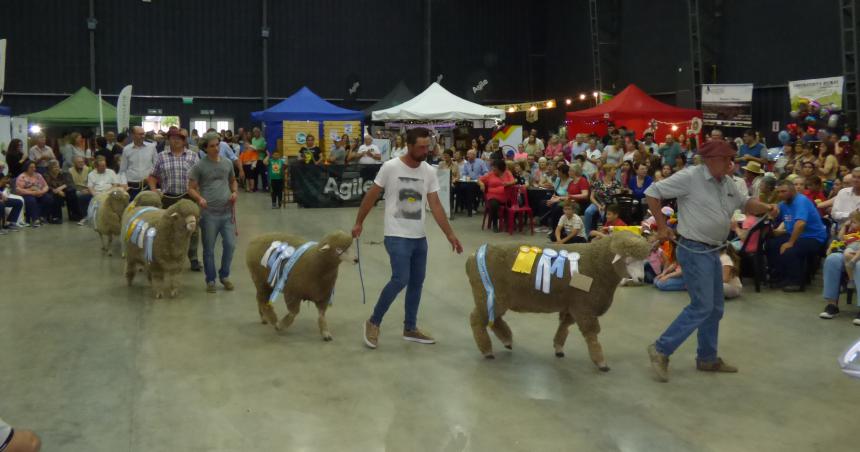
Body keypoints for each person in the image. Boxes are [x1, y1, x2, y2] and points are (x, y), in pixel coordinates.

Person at [645, 139, 778, 382]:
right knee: (703, 306)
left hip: (713, 250)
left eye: (731, 158)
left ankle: (707, 357)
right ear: (710, 160)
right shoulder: (690, 176)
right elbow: (653, 192)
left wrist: (766, 206)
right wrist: (662, 226)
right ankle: (661, 348)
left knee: (715, 307)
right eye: (726, 158)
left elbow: (746, 203)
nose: (731, 162)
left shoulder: (727, 183)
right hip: (695, 250)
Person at [353, 127, 463, 349]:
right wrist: (359, 222)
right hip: (396, 235)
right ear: (409, 145)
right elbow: (371, 196)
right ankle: (373, 322)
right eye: (421, 147)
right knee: (400, 279)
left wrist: (450, 234)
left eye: (427, 147)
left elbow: (436, 205)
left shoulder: (428, 172)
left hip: (419, 237)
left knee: (416, 282)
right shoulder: (390, 167)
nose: (425, 151)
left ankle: (410, 327)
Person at [188, 132, 239, 293]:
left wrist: (235, 192)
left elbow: (232, 181)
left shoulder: (227, 163)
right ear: (205, 148)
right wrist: (199, 199)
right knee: (209, 249)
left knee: (230, 245)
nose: (216, 148)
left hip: (226, 213)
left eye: (218, 144)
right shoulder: (199, 166)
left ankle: (224, 275)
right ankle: (210, 280)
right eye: (212, 146)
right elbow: (190, 188)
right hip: (208, 214)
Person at [147, 129, 202, 271]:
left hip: (188, 197)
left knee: (193, 229)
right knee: (166, 228)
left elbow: (200, 177)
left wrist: (199, 193)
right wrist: (154, 190)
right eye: (172, 138)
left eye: (179, 138)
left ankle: (193, 258)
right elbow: (152, 176)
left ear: (184, 141)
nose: (176, 140)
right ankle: (167, 258)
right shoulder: (161, 157)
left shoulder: (193, 156)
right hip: (168, 199)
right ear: (168, 140)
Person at [766, 179, 828, 292]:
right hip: (796, 235)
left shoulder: (801, 201)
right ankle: (780, 277)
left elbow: (800, 224)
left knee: (790, 250)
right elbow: (775, 215)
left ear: (792, 190)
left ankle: (796, 282)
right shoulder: (783, 203)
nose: (780, 194)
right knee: (772, 245)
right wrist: (772, 213)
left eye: (783, 191)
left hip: (813, 237)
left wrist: (790, 242)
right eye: (778, 192)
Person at [478, 158, 516, 232]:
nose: (493, 169)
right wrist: (481, 184)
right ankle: (495, 224)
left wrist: (508, 183)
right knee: (494, 204)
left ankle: (510, 223)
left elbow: (513, 181)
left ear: (501, 168)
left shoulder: (507, 173)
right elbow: (479, 180)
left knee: (513, 204)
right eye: (493, 167)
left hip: (506, 196)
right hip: (493, 196)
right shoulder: (490, 174)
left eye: (495, 167)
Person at [120, 126, 157, 199]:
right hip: (132, 187)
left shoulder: (152, 147)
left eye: (143, 134)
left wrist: (151, 177)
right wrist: (124, 184)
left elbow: (156, 165)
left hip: (148, 185)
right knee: (132, 208)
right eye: (140, 134)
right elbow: (122, 170)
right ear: (133, 135)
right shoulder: (126, 149)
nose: (143, 136)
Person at [585, 163, 623, 236]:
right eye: (613, 170)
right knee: (588, 212)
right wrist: (598, 205)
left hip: (610, 205)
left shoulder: (617, 183)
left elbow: (618, 197)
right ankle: (588, 234)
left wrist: (606, 206)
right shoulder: (598, 182)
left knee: (604, 215)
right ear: (608, 172)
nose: (615, 172)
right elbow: (591, 197)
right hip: (598, 203)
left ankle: (604, 234)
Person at [15, 161, 52, 227]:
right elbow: (19, 190)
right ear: (26, 168)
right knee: (31, 200)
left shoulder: (38, 175)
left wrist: (42, 192)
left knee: (48, 198)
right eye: (31, 167)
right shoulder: (22, 177)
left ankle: (42, 216)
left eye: (34, 167)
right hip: (27, 194)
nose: (33, 169)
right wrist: (32, 192)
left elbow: (46, 186)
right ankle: (35, 219)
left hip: (39, 192)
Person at [68, 156, 92, 225]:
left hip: (87, 189)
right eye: (79, 162)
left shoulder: (88, 169)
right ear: (74, 163)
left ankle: (87, 215)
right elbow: (70, 183)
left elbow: (91, 181)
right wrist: (79, 190)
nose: (81, 163)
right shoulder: (70, 170)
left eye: (82, 162)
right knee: (75, 194)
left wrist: (88, 189)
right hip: (76, 189)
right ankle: (81, 215)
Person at [250, 127, 269, 192]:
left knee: (263, 174)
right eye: (254, 132)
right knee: (254, 174)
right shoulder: (252, 139)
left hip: (261, 158)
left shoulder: (263, 139)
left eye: (256, 132)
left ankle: (265, 187)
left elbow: (264, 149)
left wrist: (257, 149)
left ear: (259, 132)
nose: (255, 133)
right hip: (254, 159)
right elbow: (252, 147)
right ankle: (255, 187)